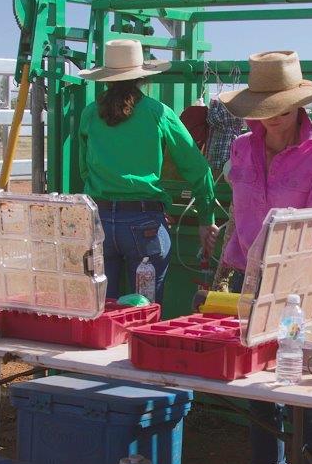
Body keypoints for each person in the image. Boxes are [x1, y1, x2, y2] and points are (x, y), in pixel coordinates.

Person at [205, 50, 312, 464]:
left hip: (294, 288)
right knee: (260, 398)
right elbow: (238, 216)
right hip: (246, 281)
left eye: (281, 106)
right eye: (265, 107)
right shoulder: (242, 149)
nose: (274, 116)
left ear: (299, 105)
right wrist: (224, 265)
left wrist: (280, 281)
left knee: (304, 397)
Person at [77, 39, 216, 299]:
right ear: (142, 78)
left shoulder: (89, 114)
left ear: (105, 78)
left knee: (101, 308)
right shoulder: (158, 112)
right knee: (146, 310)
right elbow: (198, 168)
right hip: (144, 224)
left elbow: (85, 169)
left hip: (99, 222)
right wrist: (205, 218)